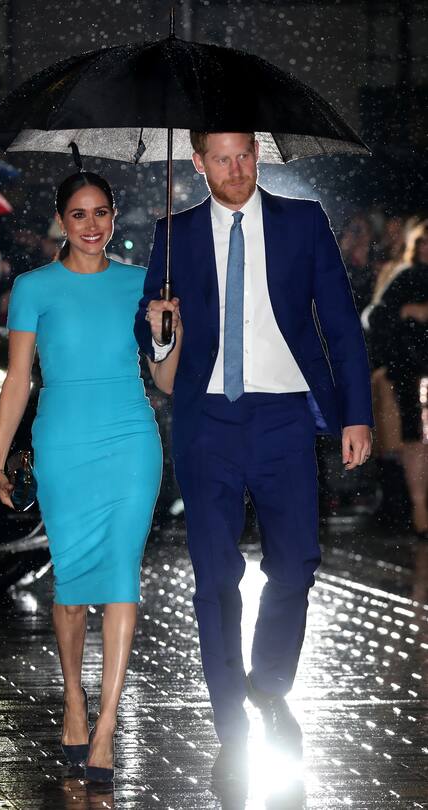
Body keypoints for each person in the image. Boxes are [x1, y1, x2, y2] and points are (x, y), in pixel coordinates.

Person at [135, 132, 373, 787]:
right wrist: (160, 329)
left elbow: (342, 325)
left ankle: (269, 683)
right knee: (214, 580)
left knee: (295, 564)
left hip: (286, 418)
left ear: (257, 156)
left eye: (245, 155)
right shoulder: (174, 234)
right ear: (197, 163)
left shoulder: (302, 222)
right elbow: (152, 335)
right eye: (222, 158)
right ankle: (230, 729)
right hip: (205, 421)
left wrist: (357, 413)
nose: (236, 169)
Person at [0, 171, 181, 783]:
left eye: (101, 212)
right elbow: (18, 379)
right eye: (79, 214)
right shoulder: (32, 288)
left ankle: (106, 728)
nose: (92, 225)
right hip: (63, 443)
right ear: (61, 221)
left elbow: (168, 381)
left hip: (130, 440)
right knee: (71, 588)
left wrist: (163, 333)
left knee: (122, 576)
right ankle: (74, 697)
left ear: (114, 216)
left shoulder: (143, 285)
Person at [367, 220, 428, 539]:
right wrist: (408, 310)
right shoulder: (407, 277)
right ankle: (419, 513)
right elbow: (376, 317)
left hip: (409, 368)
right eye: (423, 243)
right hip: (412, 370)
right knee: (415, 441)